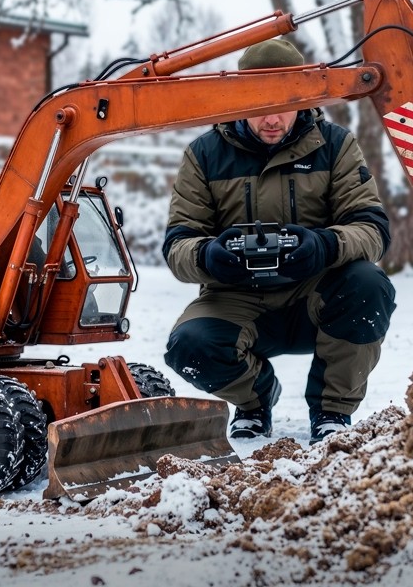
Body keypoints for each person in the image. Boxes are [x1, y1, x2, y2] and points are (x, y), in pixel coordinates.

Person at [161, 38, 397, 444]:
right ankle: (255, 399)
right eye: (261, 108)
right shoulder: (203, 154)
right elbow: (178, 243)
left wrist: (323, 246)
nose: (273, 120)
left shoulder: (336, 144)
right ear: (241, 100)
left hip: (315, 295)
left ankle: (332, 413)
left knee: (369, 285)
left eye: (284, 106)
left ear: (302, 98)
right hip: (236, 297)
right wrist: (210, 255)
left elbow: (372, 228)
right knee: (189, 347)